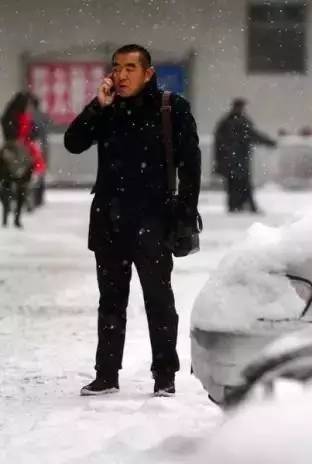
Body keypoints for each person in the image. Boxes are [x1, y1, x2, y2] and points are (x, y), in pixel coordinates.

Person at [64, 44, 201, 397]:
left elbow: (191, 166)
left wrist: (184, 213)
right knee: (110, 301)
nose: (121, 75)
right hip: (109, 218)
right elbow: (73, 142)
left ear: (148, 73)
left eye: (129, 67)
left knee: (159, 299)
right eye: (116, 68)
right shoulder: (107, 110)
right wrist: (97, 106)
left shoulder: (171, 108)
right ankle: (107, 374)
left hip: (153, 217)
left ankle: (165, 376)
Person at [213, 98, 276, 213]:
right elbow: (251, 134)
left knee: (234, 184)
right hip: (238, 158)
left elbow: (220, 142)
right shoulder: (238, 121)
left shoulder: (226, 122)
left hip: (231, 159)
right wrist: (268, 141)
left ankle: (236, 206)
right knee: (243, 183)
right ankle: (246, 206)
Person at [0, 92, 38, 228]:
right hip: (16, 153)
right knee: (18, 187)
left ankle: (9, 215)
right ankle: (13, 216)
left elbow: (33, 132)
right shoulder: (15, 117)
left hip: (15, 153)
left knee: (8, 186)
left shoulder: (11, 116)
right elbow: (29, 133)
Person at [29, 94, 52, 207]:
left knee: (33, 173)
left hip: (34, 147)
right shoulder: (44, 116)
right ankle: (40, 197)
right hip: (44, 146)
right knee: (41, 172)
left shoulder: (30, 116)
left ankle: (33, 197)